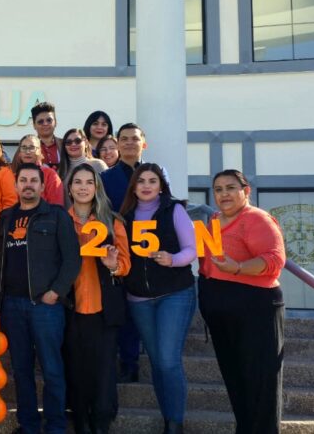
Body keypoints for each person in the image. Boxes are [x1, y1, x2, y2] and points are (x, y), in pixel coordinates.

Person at [0, 162, 81, 434]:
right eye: (23, 180)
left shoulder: (56, 216)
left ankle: (56, 425)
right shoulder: (5, 218)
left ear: (42, 185)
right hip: (12, 306)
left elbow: (72, 259)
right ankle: (28, 425)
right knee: (21, 370)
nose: (28, 185)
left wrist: (56, 292)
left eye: (33, 180)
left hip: (45, 306)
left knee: (52, 369)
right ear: (15, 185)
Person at [199, 170, 286, 434]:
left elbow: (274, 260)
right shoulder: (214, 220)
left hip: (255, 306)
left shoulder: (257, 218)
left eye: (230, 188)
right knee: (237, 380)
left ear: (246, 191)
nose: (224, 194)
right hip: (221, 309)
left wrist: (237, 267)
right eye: (218, 189)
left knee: (260, 381)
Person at [119, 163, 197, 434]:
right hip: (138, 299)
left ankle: (175, 424)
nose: (146, 186)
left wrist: (172, 259)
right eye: (141, 181)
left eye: (152, 181)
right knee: (156, 361)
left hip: (175, 294)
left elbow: (192, 249)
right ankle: (168, 419)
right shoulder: (124, 216)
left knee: (167, 360)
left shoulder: (174, 209)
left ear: (161, 186)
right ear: (133, 186)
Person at [64, 164, 131, 434]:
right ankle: (80, 422)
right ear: (69, 188)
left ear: (97, 187)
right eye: (77, 182)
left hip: (103, 309)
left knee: (103, 371)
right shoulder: (59, 220)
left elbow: (125, 264)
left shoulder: (112, 221)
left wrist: (113, 265)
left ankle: (102, 424)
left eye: (89, 182)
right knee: (75, 369)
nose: (83, 187)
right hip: (69, 308)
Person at [100, 122, 157, 383]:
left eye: (134, 138)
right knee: (124, 308)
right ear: (117, 143)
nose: (129, 143)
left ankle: (155, 359)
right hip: (120, 250)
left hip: (151, 251)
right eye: (124, 139)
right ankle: (128, 362)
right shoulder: (106, 178)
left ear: (143, 142)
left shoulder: (156, 174)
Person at [10, 134, 65, 206]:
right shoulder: (12, 175)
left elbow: (57, 206)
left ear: (39, 151)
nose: (27, 152)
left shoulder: (50, 175)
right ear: (19, 153)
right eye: (24, 147)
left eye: (32, 147)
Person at [30, 102, 63, 172]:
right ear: (34, 125)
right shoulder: (26, 147)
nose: (45, 124)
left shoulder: (66, 145)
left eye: (49, 120)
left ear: (55, 122)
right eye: (40, 121)